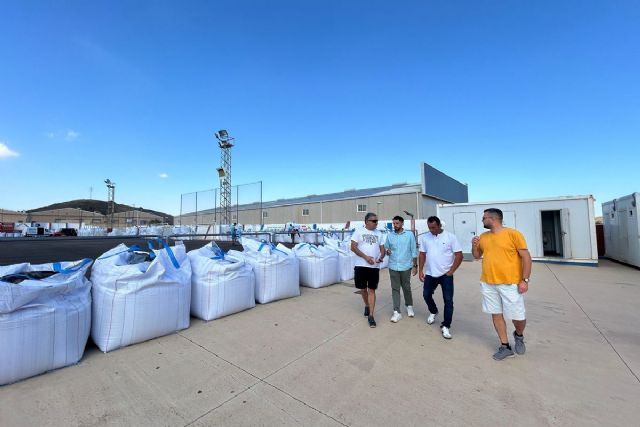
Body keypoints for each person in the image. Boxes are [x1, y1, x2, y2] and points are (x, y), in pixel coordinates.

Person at [472, 208, 532, 360]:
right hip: (488, 282)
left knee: (518, 316)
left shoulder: (513, 234)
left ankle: (518, 335)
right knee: (496, 313)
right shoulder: (484, 237)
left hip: (510, 283)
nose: (482, 220)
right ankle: (505, 346)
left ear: (493, 219)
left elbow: (526, 257)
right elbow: (477, 256)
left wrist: (524, 280)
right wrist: (474, 245)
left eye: (484, 218)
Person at [418, 216, 463, 339]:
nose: (431, 230)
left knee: (448, 301)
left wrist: (451, 271)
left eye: (433, 227)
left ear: (439, 226)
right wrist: (421, 270)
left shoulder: (450, 237)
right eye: (429, 227)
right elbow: (422, 254)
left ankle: (446, 326)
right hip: (430, 274)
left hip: (446, 275)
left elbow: (459, 255)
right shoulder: (425, 237)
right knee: (426, 295)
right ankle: (433, 311)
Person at [351, 212, 385, 328]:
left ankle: (371, 315)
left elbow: (382, 249)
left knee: (372, 290)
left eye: (377, 221)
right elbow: (353, 247)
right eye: (374, 221)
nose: (376, 223)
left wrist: (381, 257)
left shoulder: (379, 233)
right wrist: (365, 257)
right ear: (366, 222)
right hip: (361, 265)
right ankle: (367, 305)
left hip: (374, 267)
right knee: (363, 289)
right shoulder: (359, 232)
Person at [384, 215, 417, 323]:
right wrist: (387, 251)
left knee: (406, 287)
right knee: (395, 288)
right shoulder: (390, 236)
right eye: (393, 223)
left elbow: (413, 251)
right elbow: (386, 247)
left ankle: (409, 306)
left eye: (397, 223)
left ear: (402, 223)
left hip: (406, 266)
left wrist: (415, 266)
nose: (395, 225)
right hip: (393, 266)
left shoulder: (409, 235)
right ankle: (396, 312)